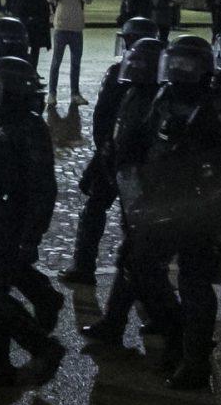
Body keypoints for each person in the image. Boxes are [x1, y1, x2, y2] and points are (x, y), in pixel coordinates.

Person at [117, 33, 221, 389]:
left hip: (202, 205)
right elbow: (145, 138)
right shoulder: (163, 96)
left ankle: (195, 360)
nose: (178, 70)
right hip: (162, 199)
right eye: (174, 63)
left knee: (195, 283)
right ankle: (175, 332)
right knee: (139, 266)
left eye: (186, 64)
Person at [0, 55, 66, 385]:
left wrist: (31, 235)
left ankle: (42, 347)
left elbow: (41, 187)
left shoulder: (30, 128)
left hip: (11, 220)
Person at [63, 20, 155, 284]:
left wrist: (105, 150)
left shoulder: (119, 73)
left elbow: (102, 118)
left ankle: (85, 267)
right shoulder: (164, 79)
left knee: (96, 208)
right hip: (131, 157)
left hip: (116, 153)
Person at [47, 0, 91, 100]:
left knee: (76, 63)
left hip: (76, 29)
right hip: (61, 28)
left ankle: (75, 93)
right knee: (56, 63)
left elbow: (89, 0)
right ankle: (52, 93)